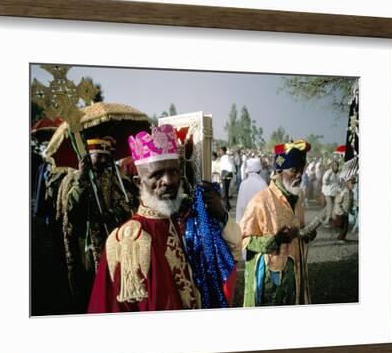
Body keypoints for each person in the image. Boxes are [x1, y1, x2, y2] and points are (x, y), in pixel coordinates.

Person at [88, 124, 242, 312]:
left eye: (173, 171)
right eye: (157, 174)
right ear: (139, 182)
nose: (168, 181)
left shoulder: (178, 221)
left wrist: (220, 215)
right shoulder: (127, 241)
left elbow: (228, 256)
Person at [56, 138, 137, 313]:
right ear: (86, 157)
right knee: (86, 284)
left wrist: (112, 214)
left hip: (109, 240)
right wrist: (82, 181)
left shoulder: (114, 178)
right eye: (97, 156)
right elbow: (69, 210)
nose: (102, 161)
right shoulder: (72, 179)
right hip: (83, 243)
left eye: (105, 157)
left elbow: (127, 204)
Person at [240, 139, 317, 307]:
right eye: (294, 170)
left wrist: (306, 235)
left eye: (301, 170)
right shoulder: (260, 201)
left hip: (294, 278)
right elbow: (244, 239)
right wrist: (276, 240)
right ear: (280, 171)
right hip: (269, 283)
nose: (299, 175)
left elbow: (299, 231)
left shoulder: (297, 200)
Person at [235, 157, 268, 224]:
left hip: (245, 221)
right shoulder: (262, 183)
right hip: (259, 222)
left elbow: (239, 206)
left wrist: (239, 222)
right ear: (259, 170)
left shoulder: (243, 183)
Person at [330, 177, 355, 242]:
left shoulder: (352, 193)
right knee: (341, 225)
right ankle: (340, 237)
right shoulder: (344, 192)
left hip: (346, 212)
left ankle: (341, 238)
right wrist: (340, 210)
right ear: (347, 184)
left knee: (345, 227)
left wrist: (351, 210)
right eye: (351, 184)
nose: (353, 185)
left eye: (353, 184)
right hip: (341, 212)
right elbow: (337, 202)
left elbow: (351, 203)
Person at [321, 161, 340, 226]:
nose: (336, 167)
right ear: (332, 166)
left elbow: (337, 183)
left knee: (332, 206)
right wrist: (328, 176)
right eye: (335, 165)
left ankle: (322, 216)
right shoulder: (328, 172)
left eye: (337, 166)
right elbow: (324, 181)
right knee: (329, 205)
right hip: (327, 192)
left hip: (334, 192)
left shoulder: (337, 173)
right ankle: (327, 220)